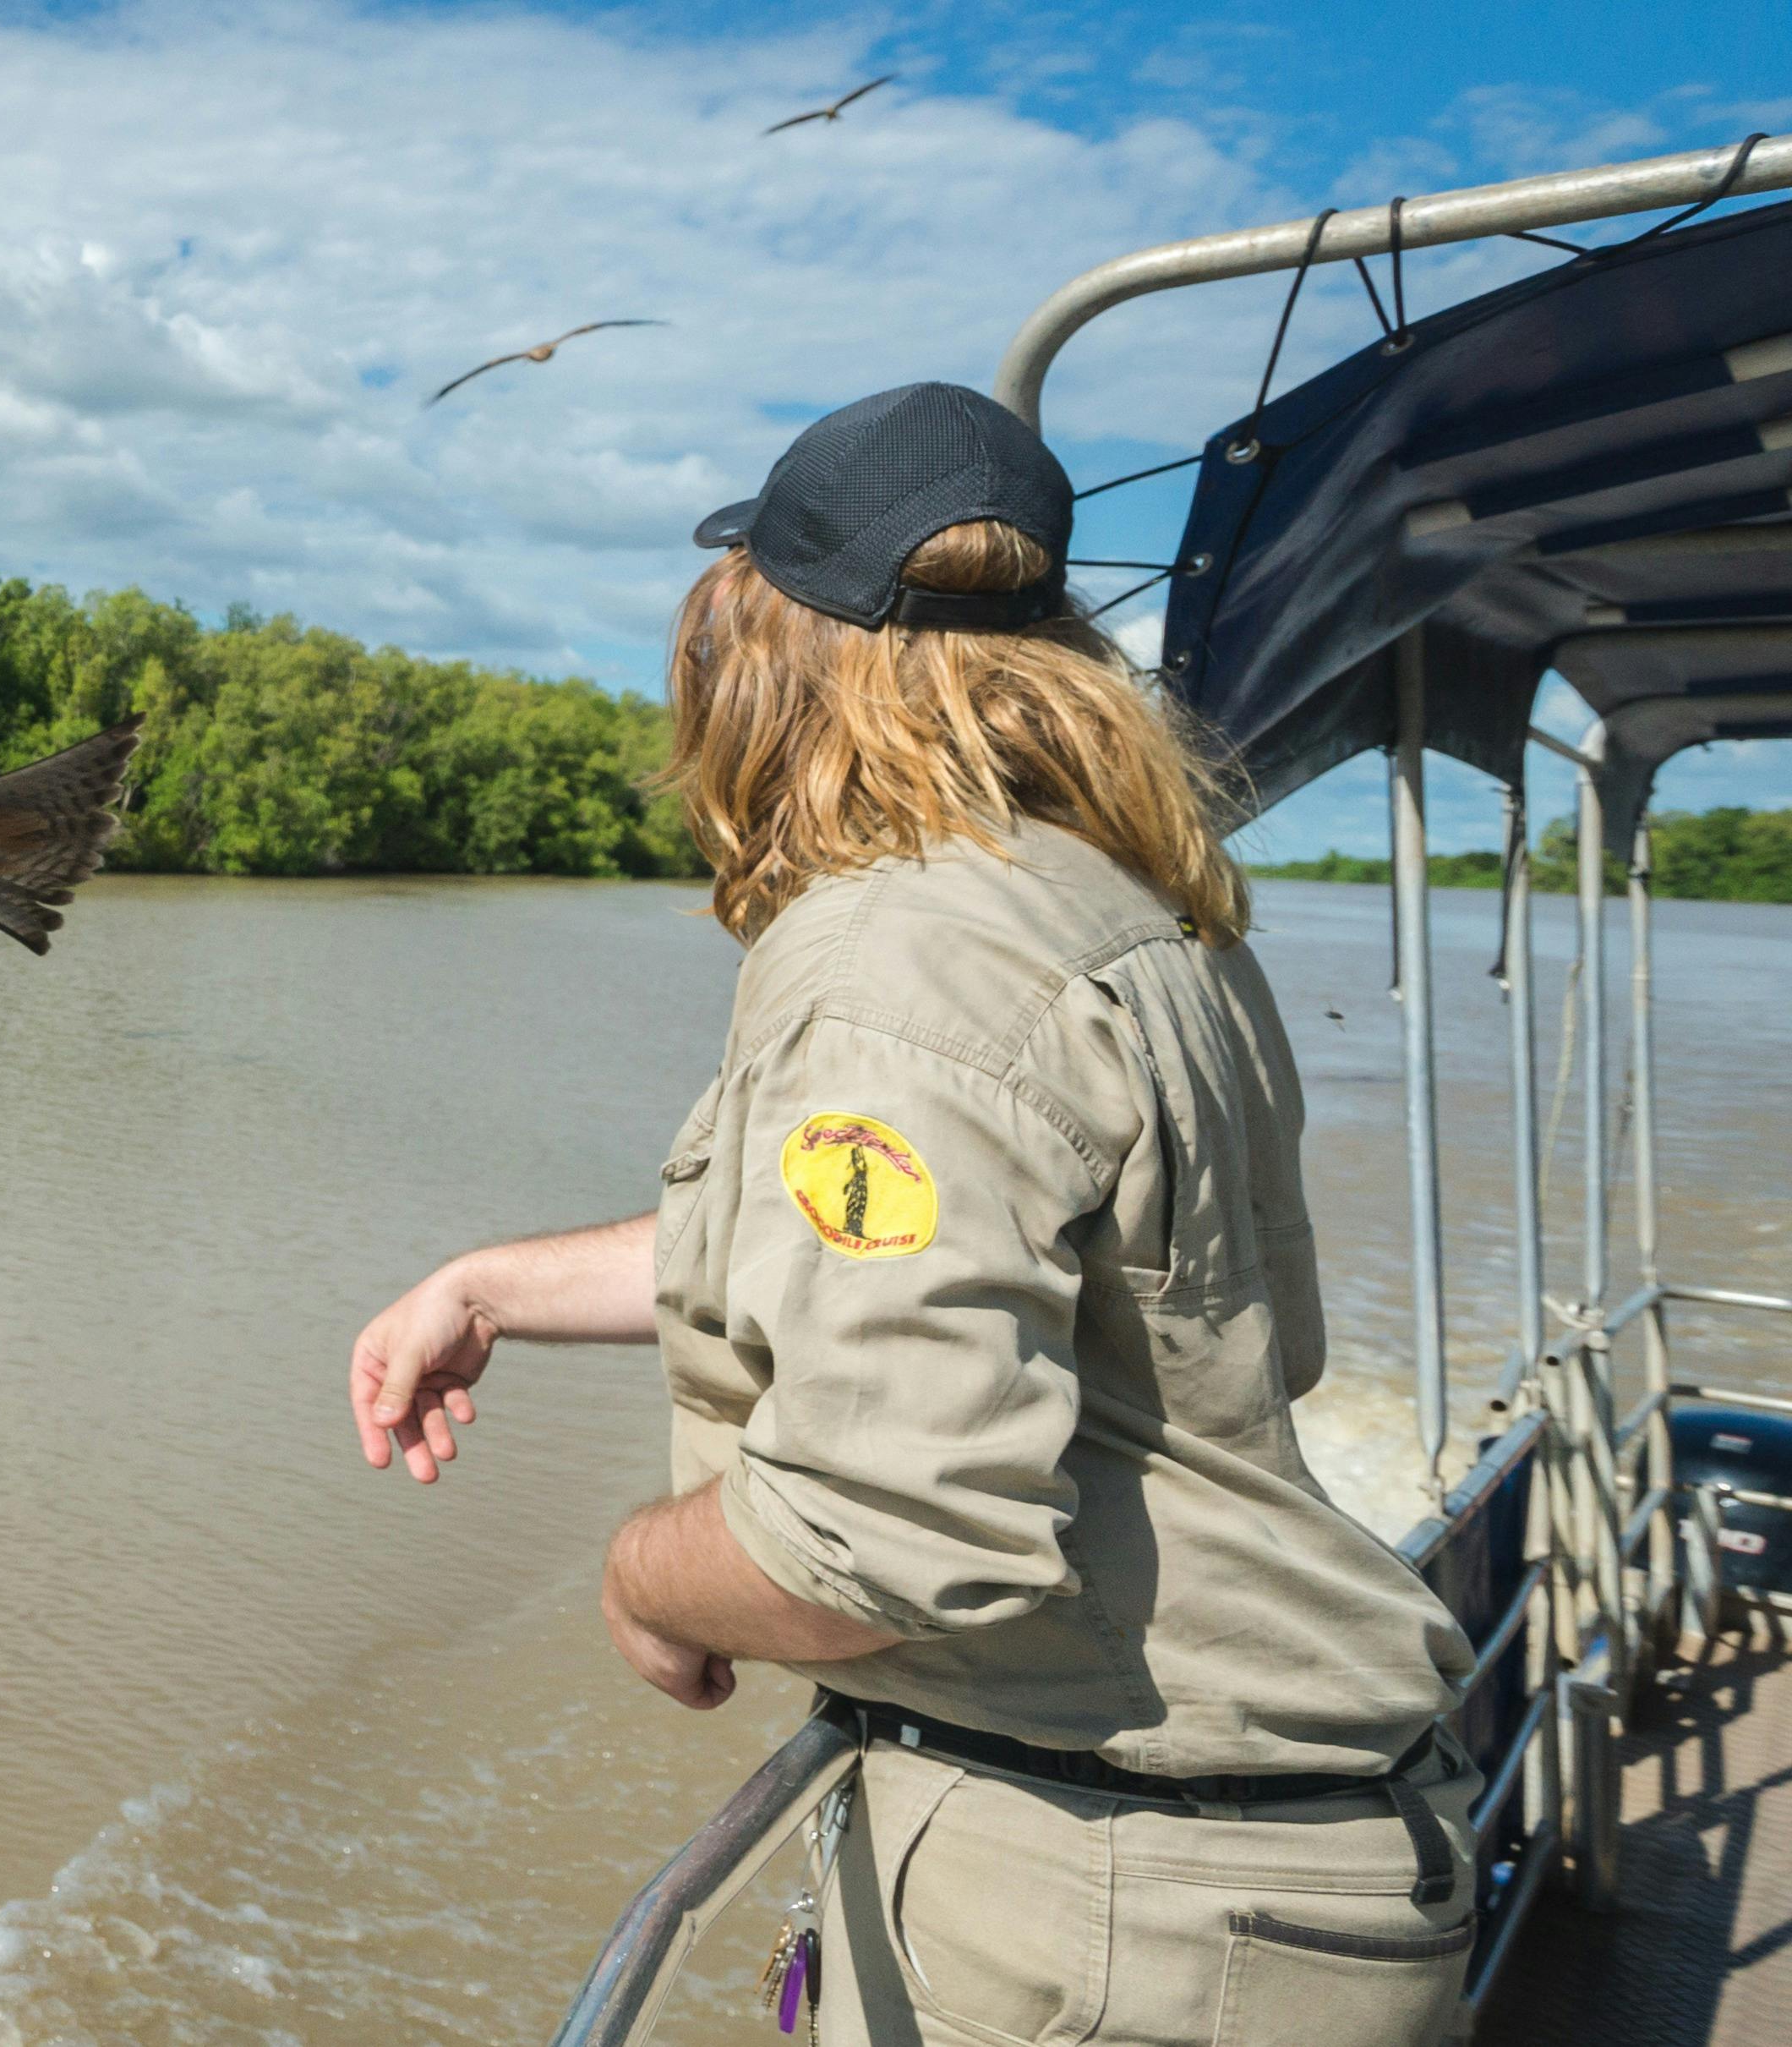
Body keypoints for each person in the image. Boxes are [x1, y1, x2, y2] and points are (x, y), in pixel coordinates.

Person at [349, 384, 1482, 2047]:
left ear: (770, 649)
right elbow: (984, 1254)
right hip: (1274, 1869)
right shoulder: (1124, 908)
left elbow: (886, 1532)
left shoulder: (900, 962)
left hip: (1113, 1911)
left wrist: (645, 1576)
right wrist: (495, 1283)